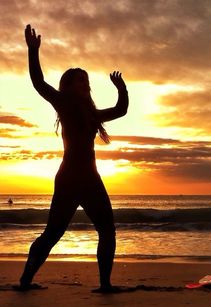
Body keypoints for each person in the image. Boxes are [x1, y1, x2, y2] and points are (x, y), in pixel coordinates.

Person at [18, 24, 129, 293]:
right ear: (68, 85)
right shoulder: (63, 103)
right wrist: (33, 51)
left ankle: (105, 284)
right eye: (80, 79)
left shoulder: (92, 114)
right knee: (53, 233)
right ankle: (25, 280)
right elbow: (38, 82)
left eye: (86, 80)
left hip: (90, 178)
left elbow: (121, 110)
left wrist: (121, 88)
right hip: (69, 178)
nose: (85, 83)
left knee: (107, 230)